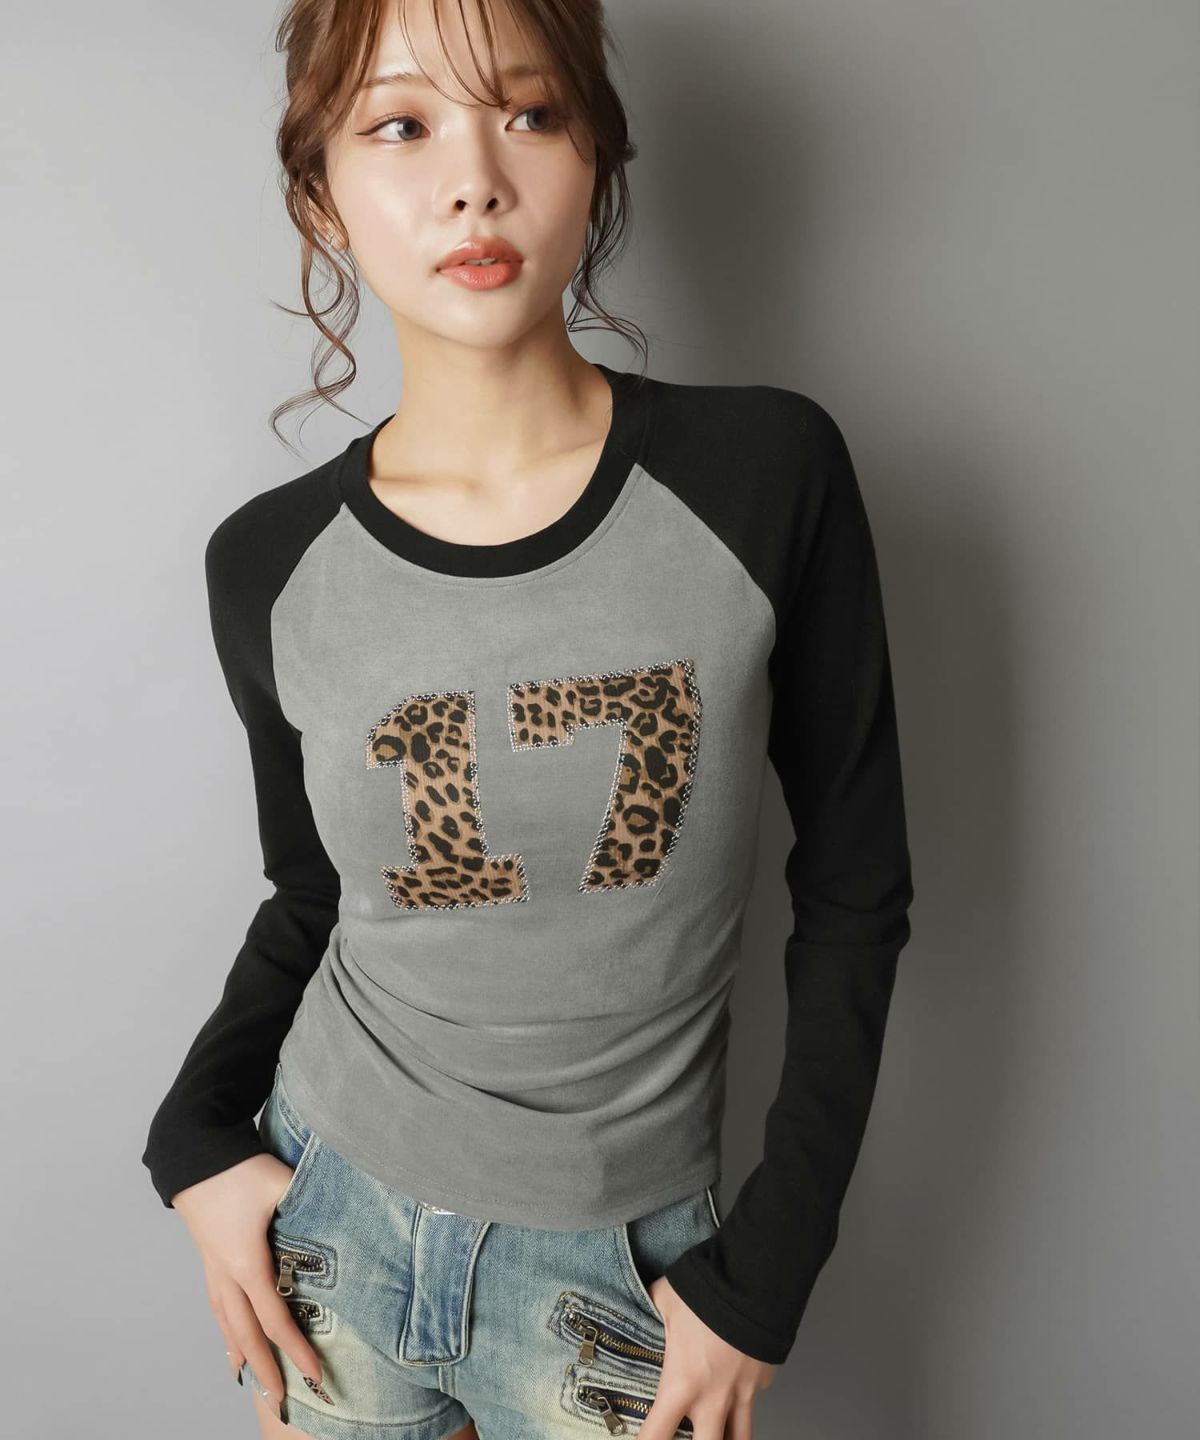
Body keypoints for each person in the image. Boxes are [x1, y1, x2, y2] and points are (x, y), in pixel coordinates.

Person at [141, 0, 915, 1436]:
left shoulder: (766, 476)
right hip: (332, 1232)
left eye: (531, 113)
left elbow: (858, 894)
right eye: (400, 124)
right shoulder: (267, 564)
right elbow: (312, 894)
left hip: (620, 1276)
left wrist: (765, 1277)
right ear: (321, 197)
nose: (474, 180)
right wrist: (192, 1136)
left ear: (595, 155)